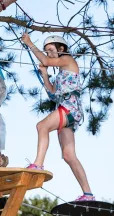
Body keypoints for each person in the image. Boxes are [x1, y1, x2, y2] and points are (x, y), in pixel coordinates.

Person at [20, 33, 95, 202]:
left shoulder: (68, 60)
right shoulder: (62, 72)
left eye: (51, 50)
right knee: (69, 155)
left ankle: (38, 163)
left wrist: (29, 43)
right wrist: (45, 75)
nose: (49, 54)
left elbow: (46, 61)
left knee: (42, 126)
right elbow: (53, 94)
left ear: (61, 49)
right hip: (67, 109)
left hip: (69, 108)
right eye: (46, 51)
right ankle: (88, 194)